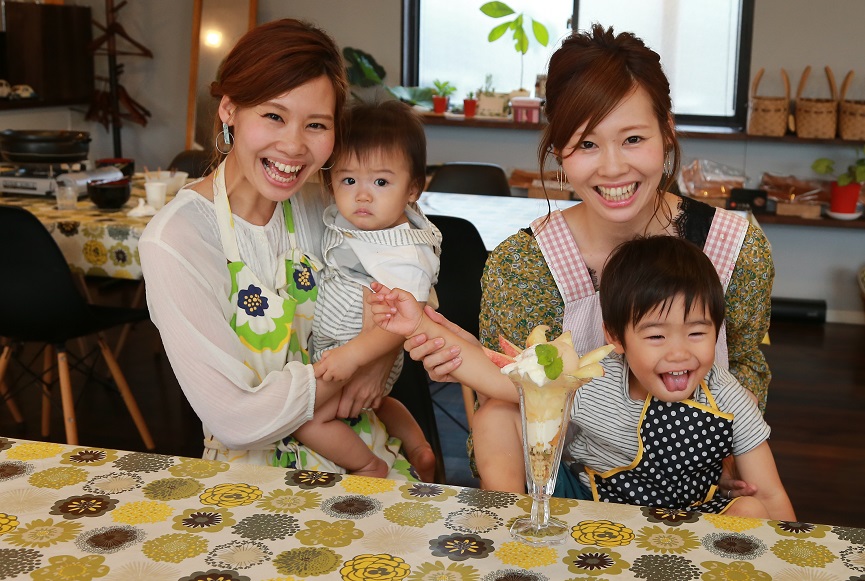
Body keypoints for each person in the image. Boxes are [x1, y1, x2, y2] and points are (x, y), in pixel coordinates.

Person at [405, 24, 775, 495]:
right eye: (586, 144)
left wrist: (721, 460)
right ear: (558, 150)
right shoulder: (524, 265)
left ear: (667, 131)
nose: (613, 167)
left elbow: (745, 368)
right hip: (564, 489)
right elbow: (504, 398)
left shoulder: (735, 249)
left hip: (694, 485)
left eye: (633, 139)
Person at [139, 19, 414, 478]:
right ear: (229, 109)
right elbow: (237, 419)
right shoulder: (176, 240)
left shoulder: (327, 203)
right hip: (254, 481)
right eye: (274, 116)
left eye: (316, 125)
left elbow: (413, 266)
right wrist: (365, 360)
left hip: (364, 450)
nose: (293, 146)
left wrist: (380, 354)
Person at [371, 235, 795, 519]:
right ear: (616, 338)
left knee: (752, 511)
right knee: (496, 414)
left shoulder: (729, 399)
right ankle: (511, 521)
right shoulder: (595, 380)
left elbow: (770, 494)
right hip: (589, 509)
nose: (679, 352)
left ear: (717, 331)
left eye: (697, 333)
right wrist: (416, 325)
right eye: (656, 336)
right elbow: (498, 375)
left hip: (689, 523)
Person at [296, 100, 441, 480]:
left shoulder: (403, 251)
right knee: (376, 403)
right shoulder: (358, 224)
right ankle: (418, 445)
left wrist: (354, 355)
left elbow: (406, 319)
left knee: (306, 420)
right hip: (345, 348)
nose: (362, 195)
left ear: (413, 188)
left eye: (380, 182)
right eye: (349, 181)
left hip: (358, 350)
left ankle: (367, 465)